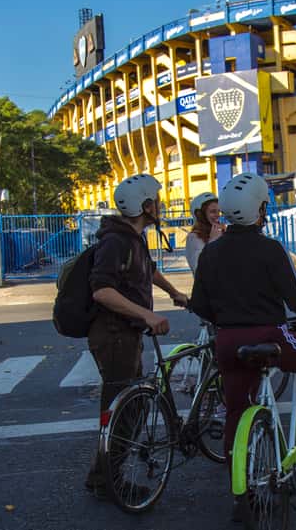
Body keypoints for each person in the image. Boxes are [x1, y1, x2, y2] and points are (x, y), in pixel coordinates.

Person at [190, 172, 296, 519]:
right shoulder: (271, 249)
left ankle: (239, 491)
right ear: (258, 210)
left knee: (234, 411)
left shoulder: (211, 254)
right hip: (270, 337)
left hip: (227, 341)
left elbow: (200, 305)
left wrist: (228, 315)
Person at [85, 174, 189, 499]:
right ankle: (108, 480)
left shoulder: (134, 238)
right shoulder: (116, 241)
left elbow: (148, 269)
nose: (160, 204)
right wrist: (146, 314)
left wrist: (173, 292)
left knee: (131, 406)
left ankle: (102, 476)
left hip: (126, 335)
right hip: (114, 335)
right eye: (155, 200)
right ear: (145, 205)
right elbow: (101, 290)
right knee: (122, 412)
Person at [185, 191, 224, 273]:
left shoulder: (220, 233)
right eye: (213, 211)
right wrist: (212, 241)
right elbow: (199, 270)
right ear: (200, 215)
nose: (218, 215)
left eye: (218, 211)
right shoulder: (194, 237)